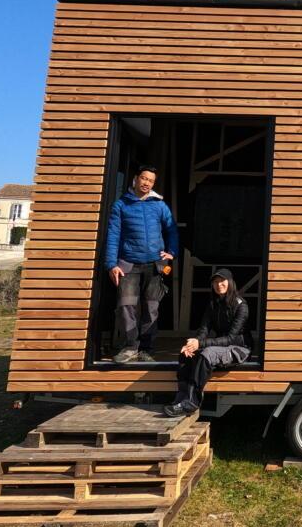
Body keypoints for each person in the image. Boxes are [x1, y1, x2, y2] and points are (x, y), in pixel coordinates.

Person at [104, 165, 179, 364]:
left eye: (151, 180)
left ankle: (146, 349)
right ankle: (130, 347)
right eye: (144, 178)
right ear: (136, 179)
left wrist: (171, 252)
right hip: (128, 263)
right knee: (125, 306)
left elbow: (172, 229)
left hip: (155, 264)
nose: (146, 183)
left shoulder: (159, 205)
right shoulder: (121, 205)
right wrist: (112, 264)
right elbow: (113, 235)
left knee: (151, 308)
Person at [165, 268, 250, 416]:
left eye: (222, 281)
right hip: (220, 345)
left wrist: (201, 344)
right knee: (186, 354)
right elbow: (204, 329)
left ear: (230, 282)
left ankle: (192, 402)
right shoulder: (213, 304)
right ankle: (182, 396)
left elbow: (230, 338)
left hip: (239, 348)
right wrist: (193, 343)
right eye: (215, 282)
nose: (219, 285)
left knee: (206, 354)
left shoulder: (241, 305)